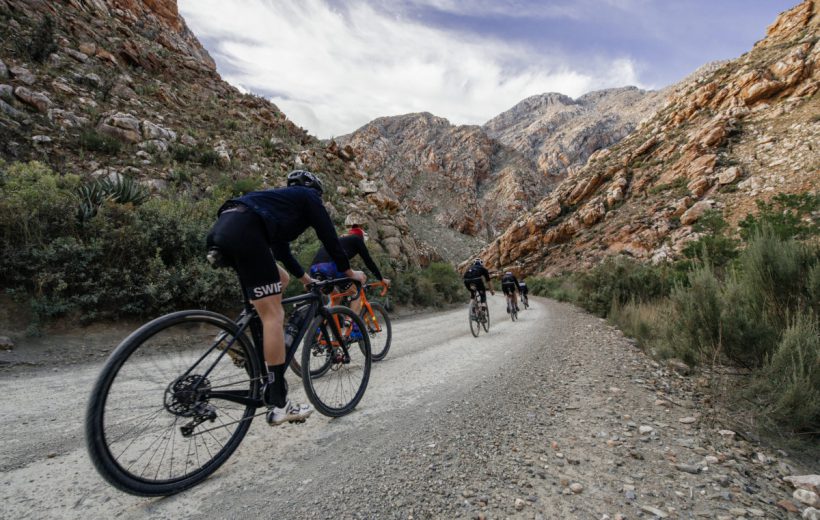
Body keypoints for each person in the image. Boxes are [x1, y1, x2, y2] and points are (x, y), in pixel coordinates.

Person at [206, 170, 366, 426]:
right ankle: (280, 404)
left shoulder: (277, 204)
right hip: (246, 232)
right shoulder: (308, 197)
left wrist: (306, 280)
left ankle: (237, 335)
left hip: (223, 229)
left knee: (280, 280)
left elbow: (281, 251)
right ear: (316, 191)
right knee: (274, 315)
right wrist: (349, 272)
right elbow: (329, 238)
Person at [310, 222, 390, 320]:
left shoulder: (341, 240)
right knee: (355, 291)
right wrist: (381, 278)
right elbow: (369, 262)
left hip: (314, 268)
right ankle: (352, 325)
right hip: (331, 267)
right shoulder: (357, 239)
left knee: (336, 296)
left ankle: (323, 328)